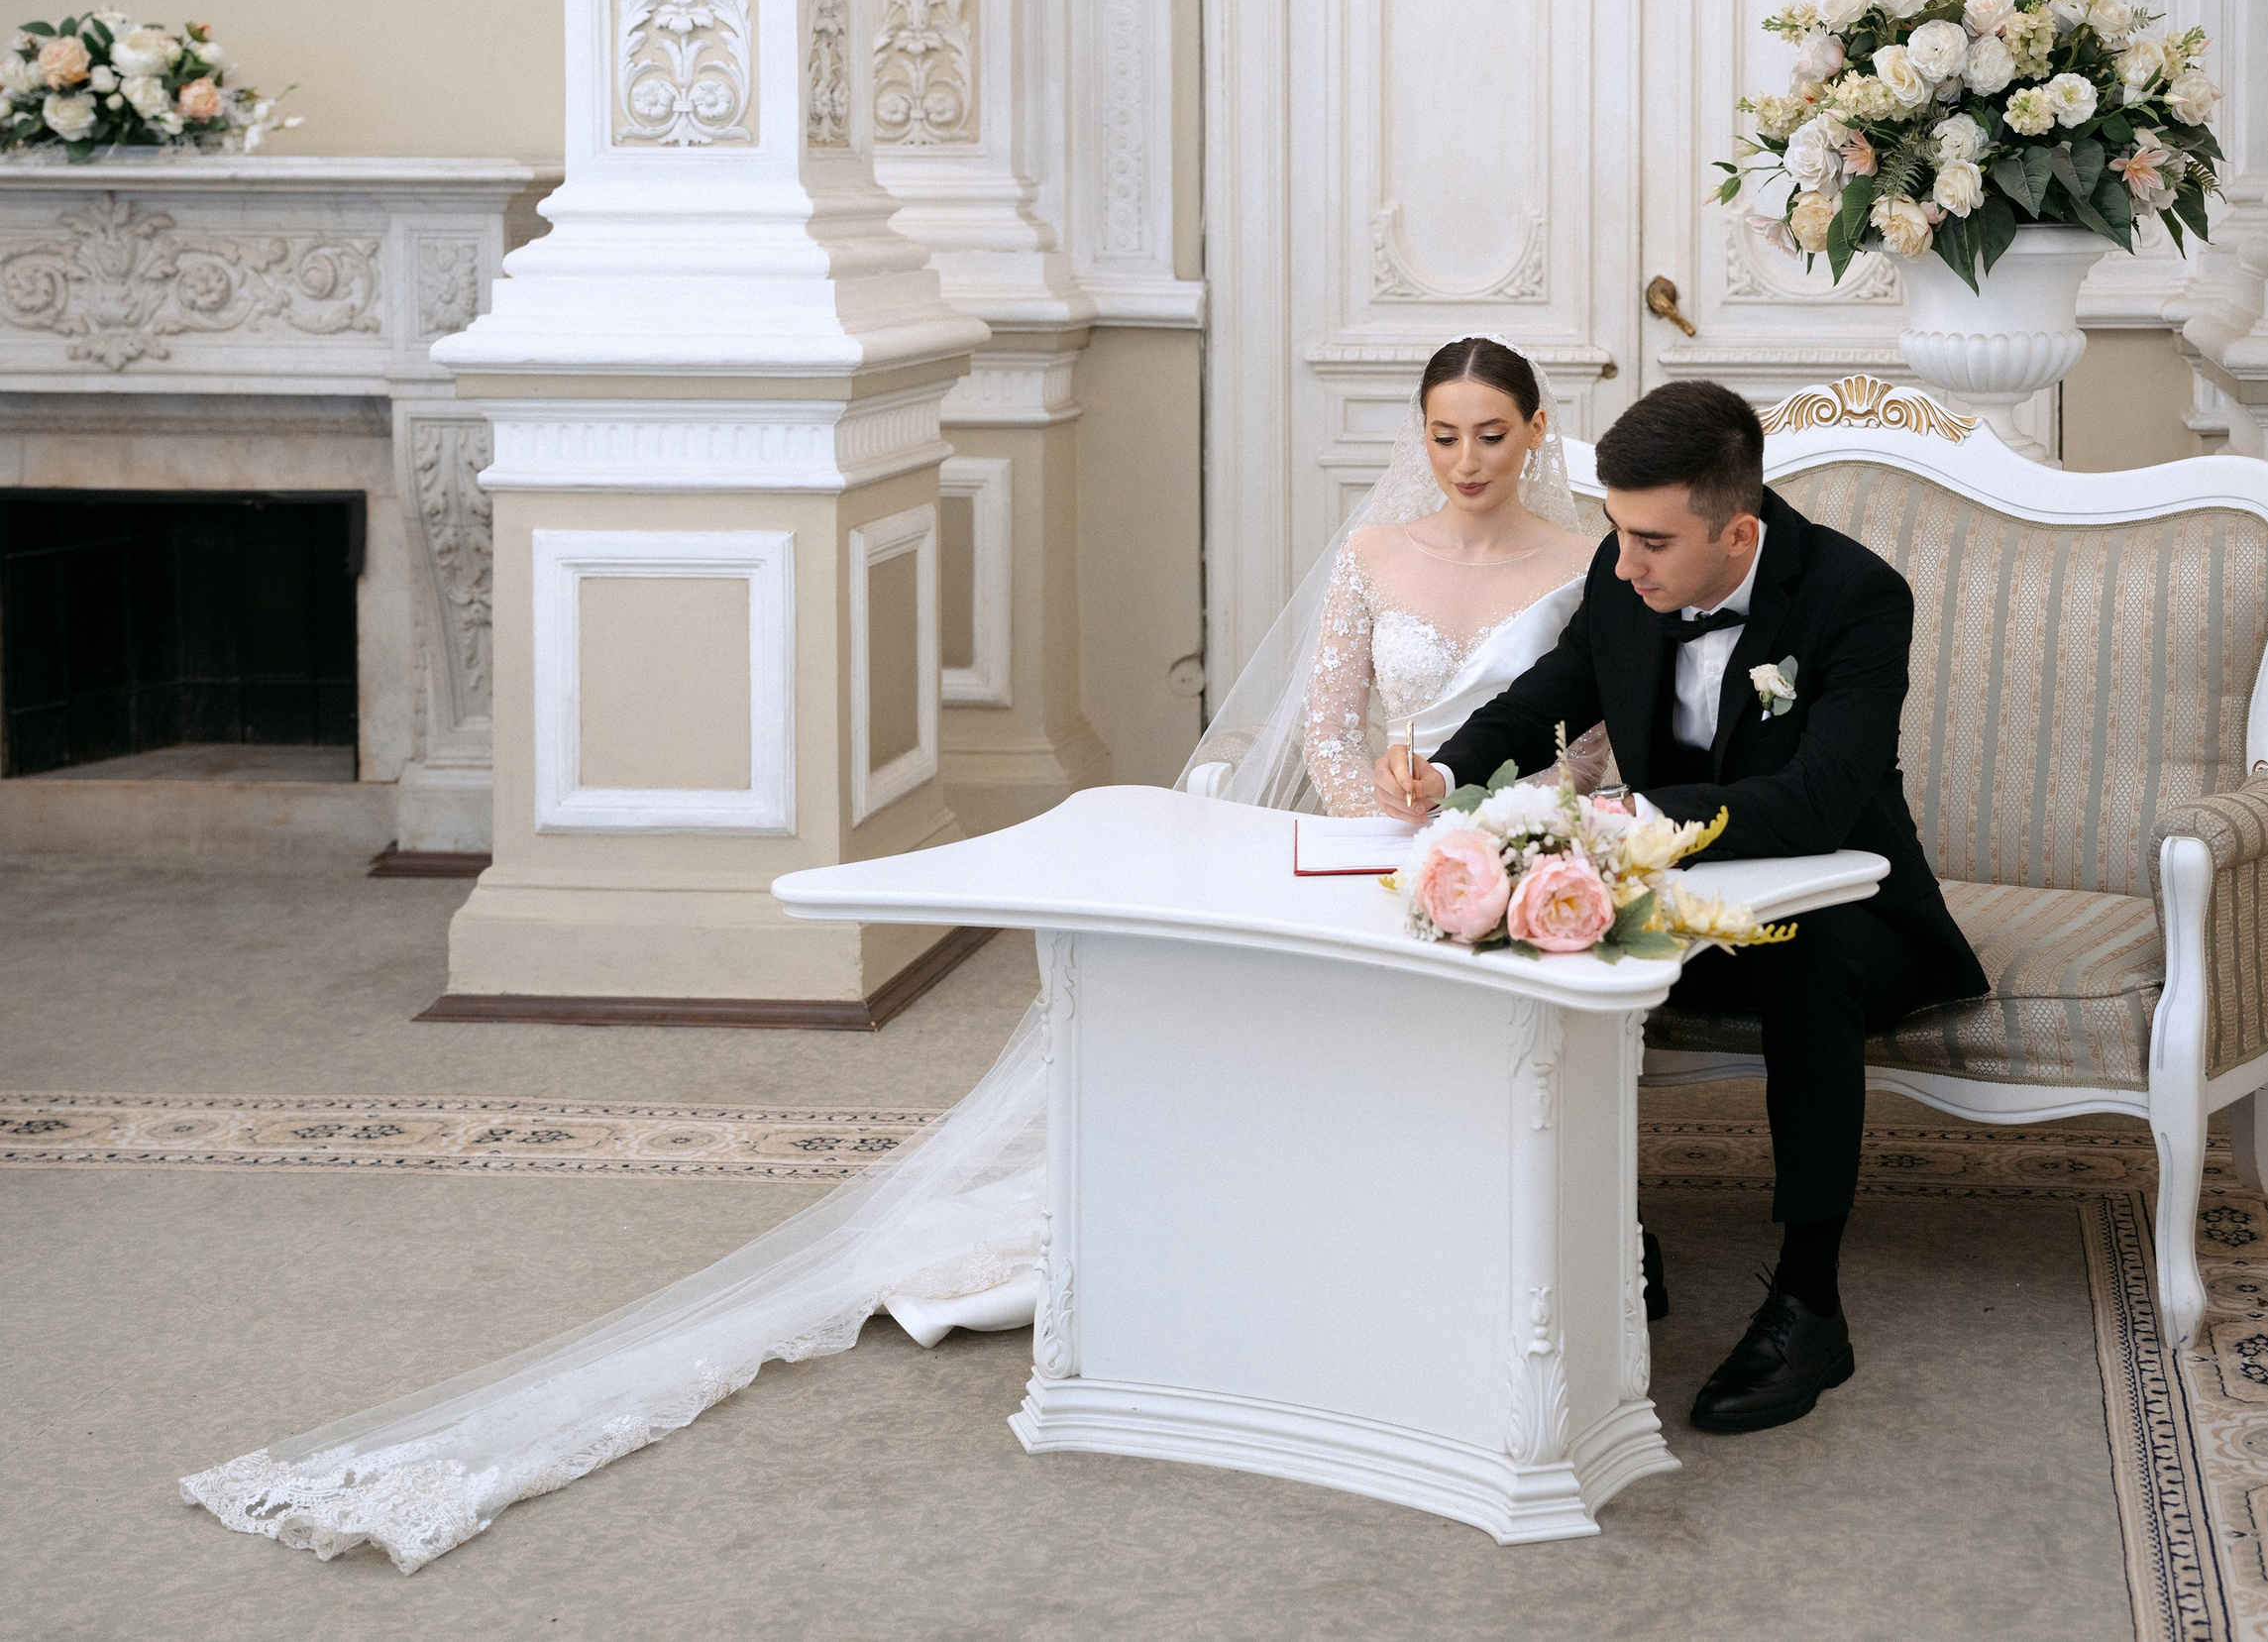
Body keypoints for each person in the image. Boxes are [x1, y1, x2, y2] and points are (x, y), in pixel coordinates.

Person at [179, 337, 1611, 1574]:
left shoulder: (1587, 559)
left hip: (1513, 846)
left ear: (1536, 432)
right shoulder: (1370, 553)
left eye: (1492, 434)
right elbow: (1327, 734)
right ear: (1415, 436)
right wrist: (1396, 818)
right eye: (1442, 434)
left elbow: (1596, 729)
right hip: (1373, 844)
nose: (1466, 458)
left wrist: (1510, 828)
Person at [1379, 379, 1989, 1435]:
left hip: (1853, 912)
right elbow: (1550, 691)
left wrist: (1628, 811)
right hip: (1684, 903)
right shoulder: (1626, 577)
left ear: (1738, 529)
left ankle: (1808, 1300)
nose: (1623, 564)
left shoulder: (1855, 596)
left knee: (1803, 953)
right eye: (1618, 533)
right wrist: (1443, 773)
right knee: (1533, 925)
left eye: (1652, 541)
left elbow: (1818, 800)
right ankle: (1607, 1243)